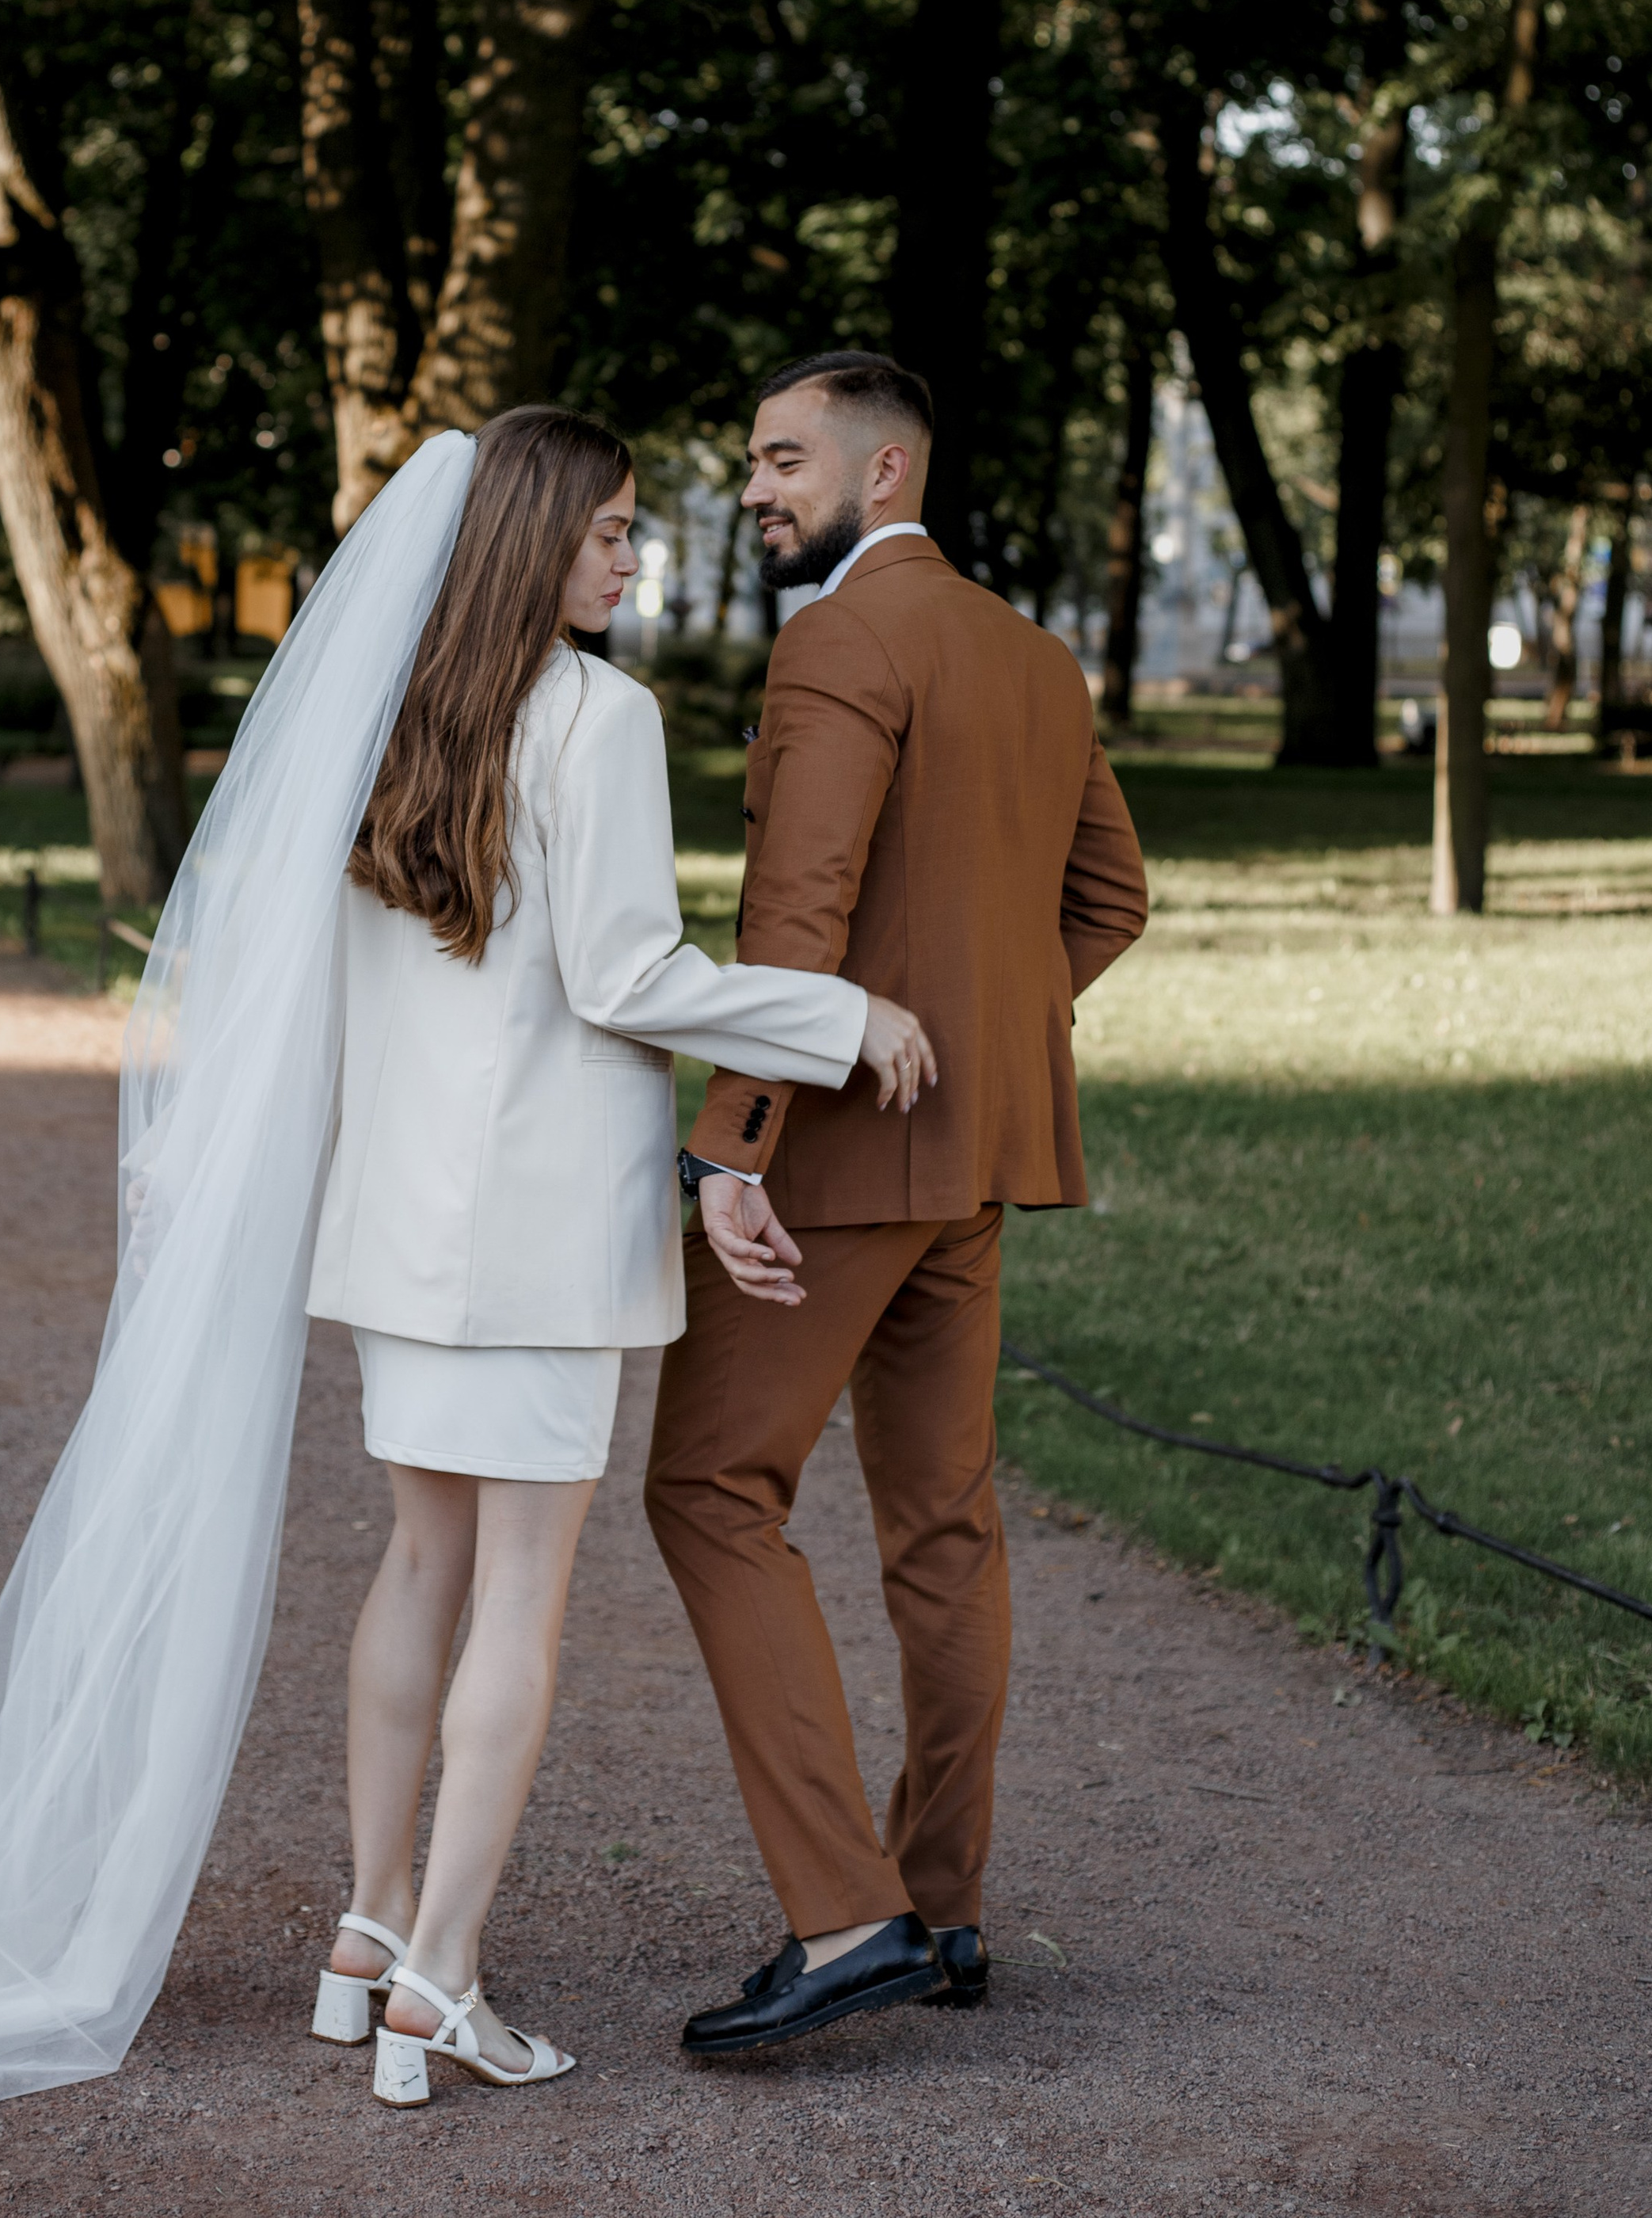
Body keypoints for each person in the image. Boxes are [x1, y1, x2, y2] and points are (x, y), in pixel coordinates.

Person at [0, 405, 931, 2113]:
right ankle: (441, 1989)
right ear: (537, 541)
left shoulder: (382, 722)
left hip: (395, 1225)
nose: (634, 555)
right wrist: (841, 1017)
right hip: (535, 1236)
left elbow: (300, 990)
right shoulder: (596, 718)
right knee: (517, 1606)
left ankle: (370, 1928)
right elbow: (625, 974)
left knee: (417, 1570)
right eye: (612, 529)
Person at [645, 350, 1149, 2056]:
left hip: (840, 1170)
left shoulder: (838, 639)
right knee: (941, 1528)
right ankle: (938, 1906)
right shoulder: (1030, 652)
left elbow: (795, 914)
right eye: (747, 456)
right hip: (980, 1167)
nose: (752, 486)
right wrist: (991, 1041)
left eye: (778, 457)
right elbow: (1110, 900)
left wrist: (729, 1147)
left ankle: (842, 1914)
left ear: (880, 474)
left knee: (711, 1489)